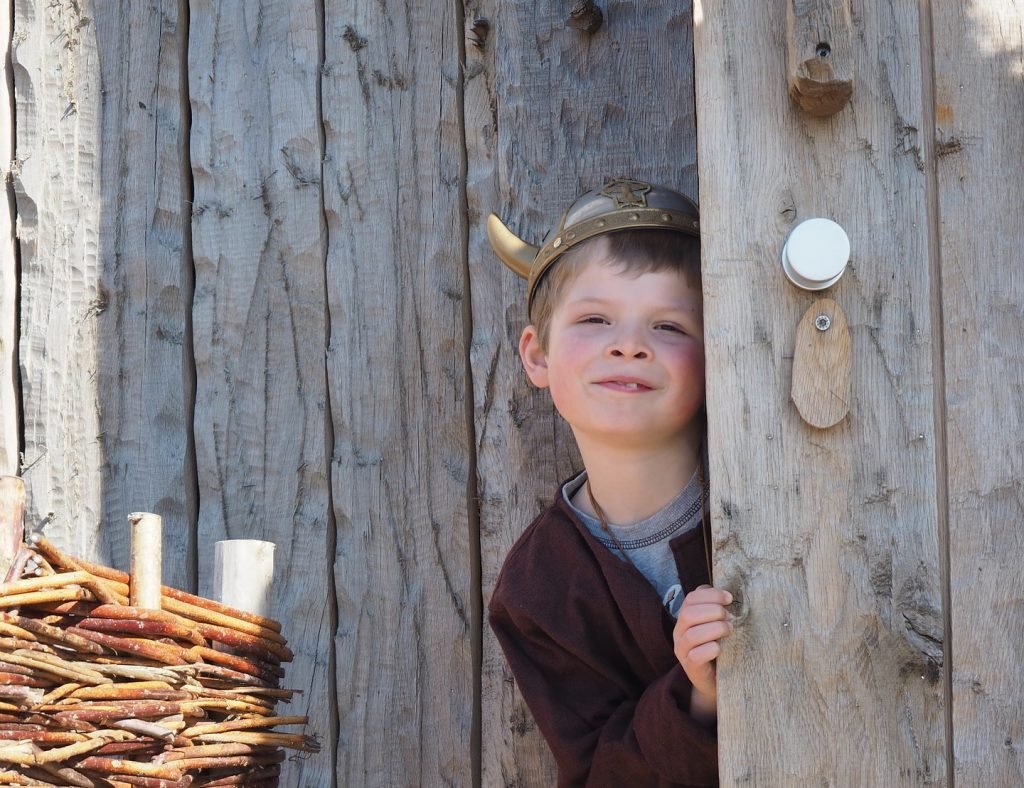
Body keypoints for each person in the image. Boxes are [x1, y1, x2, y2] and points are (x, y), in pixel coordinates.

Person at [486, 177, 734, 786]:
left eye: (669, 327)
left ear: (720, 353)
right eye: (596, 319)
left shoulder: (779, 501)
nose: (628, 346)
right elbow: (602, 773)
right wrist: (697, 696)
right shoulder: (538, 591)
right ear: (537, 355)